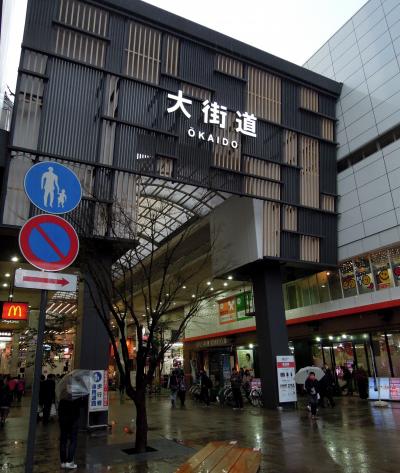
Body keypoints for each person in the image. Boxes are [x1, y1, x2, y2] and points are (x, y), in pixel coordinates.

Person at [58, 396, 86, 469]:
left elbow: (59, 409)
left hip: (63, 420)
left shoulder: (63, 395)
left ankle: (63, 462)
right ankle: (69, 462)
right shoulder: (77, 395)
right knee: (73, 440)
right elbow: (82, 404)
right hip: (73, 420)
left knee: (63, 440)